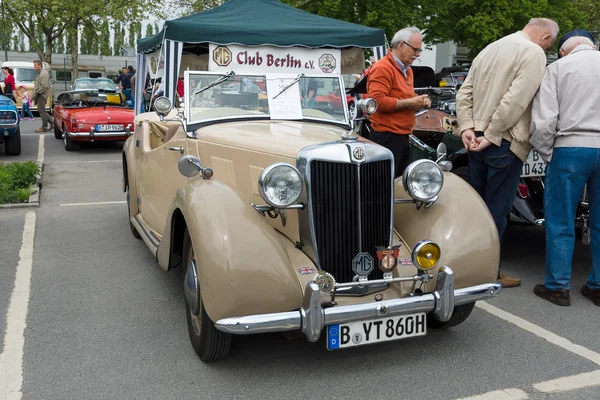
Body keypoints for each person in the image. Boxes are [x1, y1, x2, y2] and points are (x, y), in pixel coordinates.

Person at [455, 18, 558, 288]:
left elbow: (464, 92)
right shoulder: (534, 53)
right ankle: (489, 271)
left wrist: (467, 126)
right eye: (550, 45)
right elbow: (516, 100)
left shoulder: (491, 48)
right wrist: (492, 134)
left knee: (477, 208)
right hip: (503, 142)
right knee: (496, 212)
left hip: (475, 138)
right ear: (546, 39)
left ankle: (468, 267)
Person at [529, 32, 600, 306]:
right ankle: (596, 286)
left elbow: (544, 120)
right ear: (591, 45)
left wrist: (548, 152)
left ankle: (558, 287)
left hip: (570, 146)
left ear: (563, 51)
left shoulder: (558, 68)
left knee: (561, 219)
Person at [366, 26, 431, 178]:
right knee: (384, 188)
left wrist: (420, 100)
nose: (418, 54)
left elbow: (404, 95)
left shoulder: (407, 69)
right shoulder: (382, 67)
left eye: (419, 51)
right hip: (386, 138)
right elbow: (376, 102)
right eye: (416, 50)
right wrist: (410, 102)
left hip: (400, 137)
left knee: (397, 185)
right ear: (401, 45)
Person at [32, 60, 54, 132]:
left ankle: (44, 127)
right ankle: (53, 123)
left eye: (35, 65)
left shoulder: (44, 73)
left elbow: (43, 86)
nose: (34, 67)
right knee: (42, 110)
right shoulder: (41, 73)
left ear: (39, 65)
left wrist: (37, 92)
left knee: (42, 111)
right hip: (40, 94)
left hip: (41, 94)